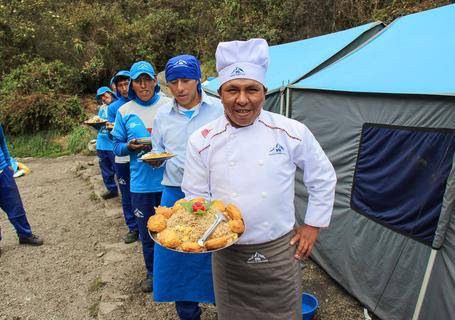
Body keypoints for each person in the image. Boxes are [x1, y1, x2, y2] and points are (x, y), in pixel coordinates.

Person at [181, 38, 337, 319]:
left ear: (264, 92)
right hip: (228, 255)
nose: (242, 100)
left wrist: (313, 225)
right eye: (233, 90)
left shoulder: (291, 132)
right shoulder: (201, 141)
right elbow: (195, 197)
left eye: (251, 89)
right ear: (220, 93)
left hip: (279, 251)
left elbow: (323, 176)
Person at [149, 55, 224, 320]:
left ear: (199, 80)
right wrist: (156, 160)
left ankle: (224, 307)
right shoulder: (162, 116)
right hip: (174, 193)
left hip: (212, 195)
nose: (180, 88)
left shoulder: (218, 110)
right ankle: (188, 312)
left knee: (215, 252)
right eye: (173, 83)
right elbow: (157, 150)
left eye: (186, 80)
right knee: (177, 257)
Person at [112, 61, 171, 292]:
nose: (143, 84)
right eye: (138, 81)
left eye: (147, 79)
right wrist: (129, 146)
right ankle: (153, 273)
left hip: (169, 182)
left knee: (174, 230)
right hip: (141, 184)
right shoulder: (124, 111)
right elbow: (116, 146)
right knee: (148, 233)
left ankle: (173, 273)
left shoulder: (169, 105)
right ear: (131, 85)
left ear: (155, 82)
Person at [0, 124, 43, 255]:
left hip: (3, 171)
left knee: (15, 204)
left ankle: (25, 235)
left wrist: (8, 163)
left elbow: (2, 142)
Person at [108, 70, 138, 244]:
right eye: (120, 85)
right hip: (122, 159)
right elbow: (113, 133)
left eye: (127, 83)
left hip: (142, 159)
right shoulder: (114, 107)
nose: (124, 87)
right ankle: (133, 227)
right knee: (126, 195)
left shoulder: (141, 102)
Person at [95, 86, 118, 200]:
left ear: (111, 93)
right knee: (105, 168)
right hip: (101, 143)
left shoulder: (118, 106)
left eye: (104, 95)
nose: (103, 98)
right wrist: (95, 125)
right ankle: (111, 189)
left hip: (112, 144)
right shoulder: (102, 108)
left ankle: (125, 190)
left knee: (118, 168)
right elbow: (99, 124)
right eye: (101, 97)